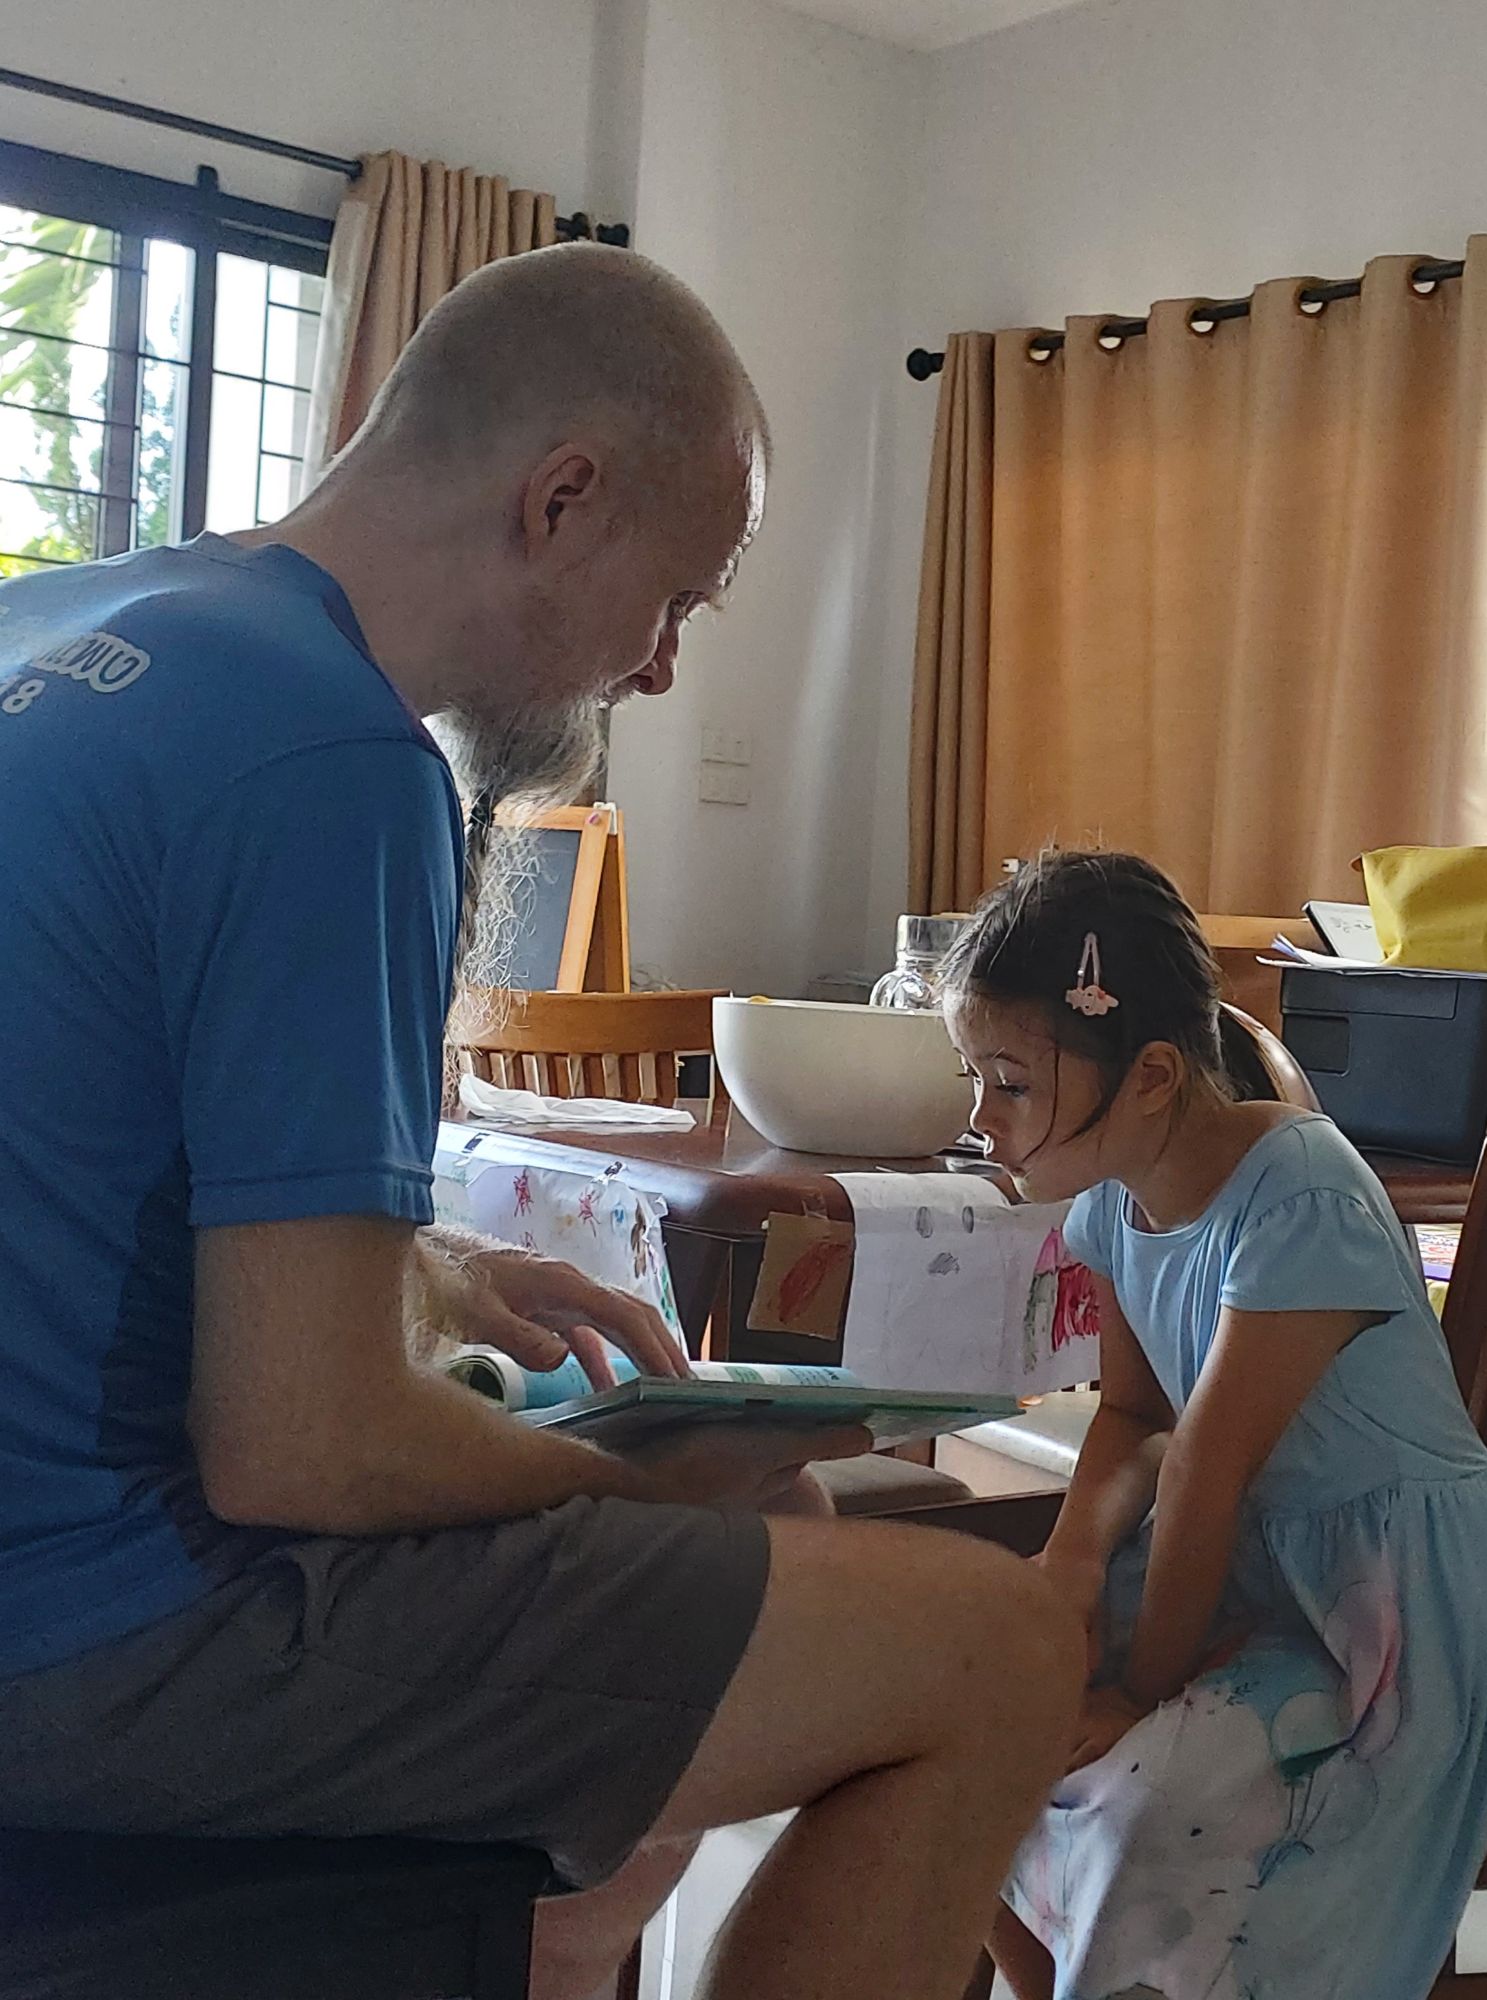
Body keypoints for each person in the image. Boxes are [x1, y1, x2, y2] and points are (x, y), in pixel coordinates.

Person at [0, 242, 1082, 2000]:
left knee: (780, 1541)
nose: (658, 669)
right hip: (85, 1623)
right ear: (561, 501)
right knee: (997, 1647)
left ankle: (544, 1954)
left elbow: (79, 1143)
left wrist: (420, 1262)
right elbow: (304, 1448)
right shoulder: (332, 751)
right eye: (680, 598)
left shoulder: (70, 628)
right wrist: (641, 1469)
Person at [940, 850, 1487, 2000]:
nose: (979, 1115)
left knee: (1139, 1804)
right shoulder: (1113, 1194)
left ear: (1151, 1074)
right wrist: (1070, 1562)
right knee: (967, 1705)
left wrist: (1137, 1690)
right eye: (974, 1075)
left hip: (1385, 1613)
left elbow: (1201, 1476)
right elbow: (1133, 1413)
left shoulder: (1299, 1195)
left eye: (1009, 1081)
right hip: (1252, 1564)